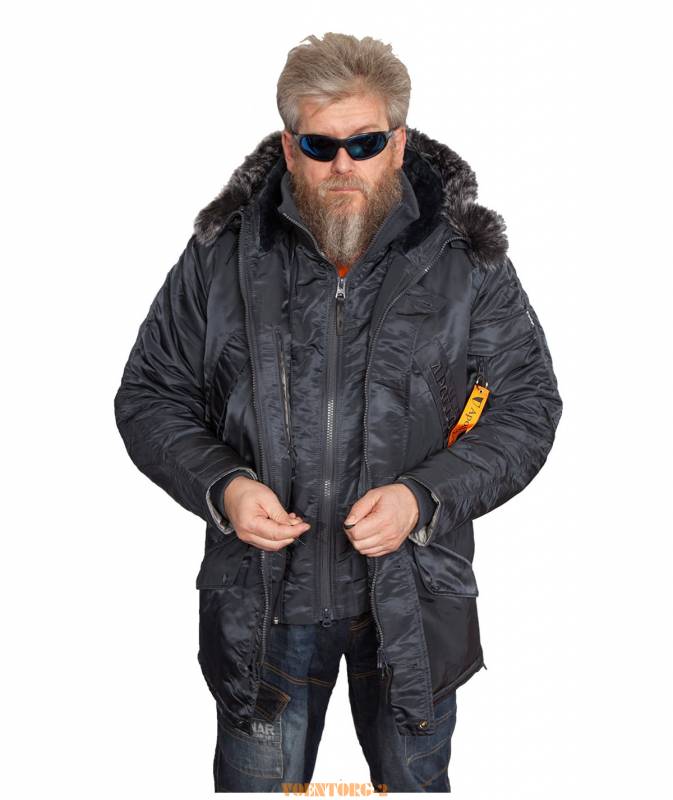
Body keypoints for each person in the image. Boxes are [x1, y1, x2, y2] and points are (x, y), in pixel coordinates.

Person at [114, 32, 563, 793]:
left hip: (412, 610)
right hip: (263, 614)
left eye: (366, 142)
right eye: (321, 145)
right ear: (291, 148)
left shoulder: (466, 261)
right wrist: (224, 487)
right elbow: (151, 395)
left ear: (399, 143)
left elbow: (525, 406)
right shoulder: (221, 257)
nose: (343, 164)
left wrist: (423, 497)